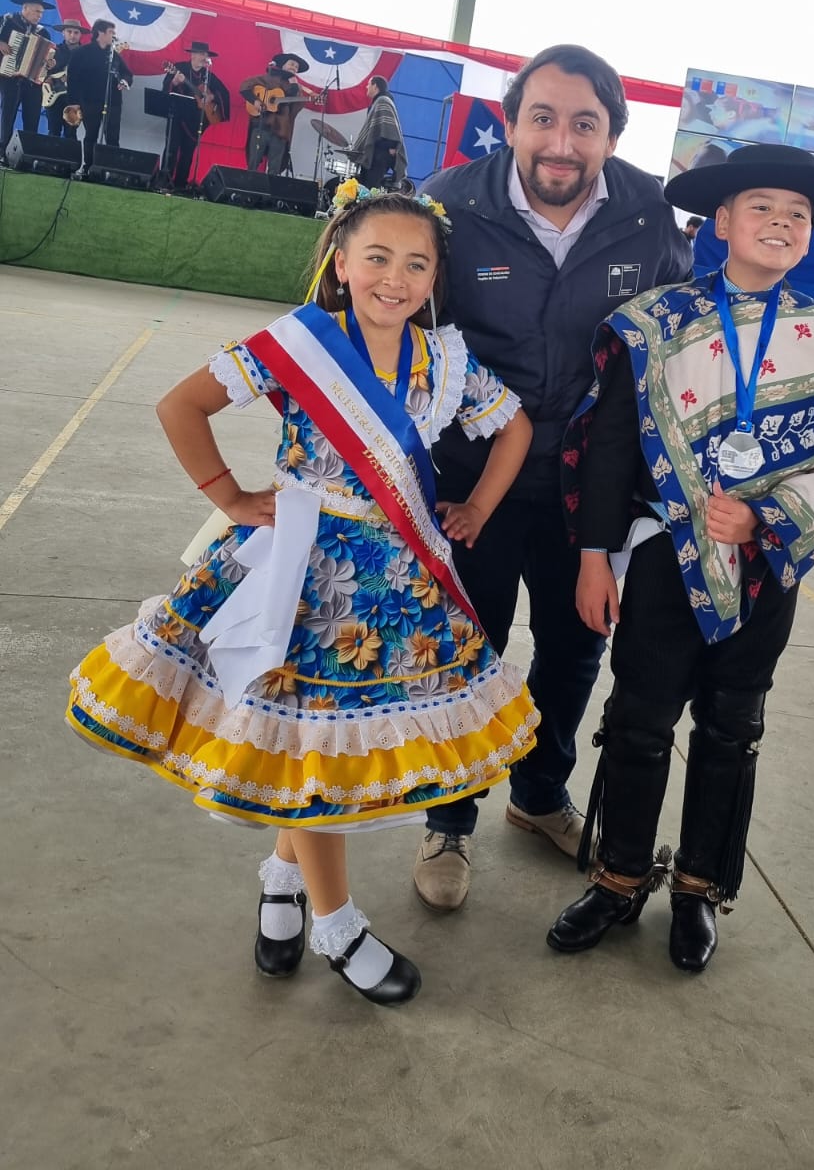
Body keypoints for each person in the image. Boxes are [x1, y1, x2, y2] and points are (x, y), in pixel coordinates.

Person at [66, 183, 538, 1006]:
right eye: (379, 257)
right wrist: (230, 496)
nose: (396, 278)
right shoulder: (299, 344)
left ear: (435, 277)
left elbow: (516, 426)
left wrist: (478, 507)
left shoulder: (444, 358)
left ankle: (283, 887)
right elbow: (182, 404)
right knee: (312, 754)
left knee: (317, 751)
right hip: (304, 578)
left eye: (417, 263)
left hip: (393, 584)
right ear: (342, 262)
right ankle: (338, 925)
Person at [546, 144, 814, 972]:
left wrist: (766, 518)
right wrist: (595, 556)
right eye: (761, 207)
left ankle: (700, 889)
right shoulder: (654, 326)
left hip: (766, 567)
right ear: (721, 223)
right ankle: (617, 877)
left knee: (732, 727)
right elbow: (611, 447)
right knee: (637, 721)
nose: (780, 223)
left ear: (810, 238)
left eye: (796, 215)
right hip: (663, 560)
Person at [408, 43, 693, 911]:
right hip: (472, 484)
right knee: (469, 653)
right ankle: (449, 821)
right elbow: (399, 333)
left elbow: (675, 345)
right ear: (509, 121)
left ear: (613, 133)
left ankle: (537, 796)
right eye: (543, 118)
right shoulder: (451, 204)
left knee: (573, 652)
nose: (561, 143)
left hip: (592, 491)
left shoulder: (649, 213)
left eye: (584, 124)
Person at [163, 40, 231, 191]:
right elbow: (166, 87)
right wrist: (174, 81)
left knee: (188, 152)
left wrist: (211, 98)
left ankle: (180, 184)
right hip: (177, 115)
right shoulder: (179, 68)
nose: (204, 57)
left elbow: (224, 93)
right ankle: (163, 181)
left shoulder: (208, 76)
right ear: (192, 55)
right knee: (171, 149)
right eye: (201, 54)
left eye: (206, 54)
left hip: (195, 119)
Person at [66, 19, 133, 164]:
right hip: (90, 100)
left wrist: (124, 81)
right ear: (100, 33)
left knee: (113, 137)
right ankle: (88, 166)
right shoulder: (81, 52)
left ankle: (111, 168)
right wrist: (74, 102)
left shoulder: (113, 54)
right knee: (91, 135)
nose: (113, 36)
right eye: (111, 32)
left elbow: (127, 73)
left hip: (112, 101)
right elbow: (72, 79)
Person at [0, 0, 55, 148]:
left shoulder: (42, 32)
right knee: (8, 113)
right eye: (37, 11)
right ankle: (3, 149)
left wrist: (50, 63)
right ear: (25, 8)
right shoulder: (7, 21)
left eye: (42, 13)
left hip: (31, 81)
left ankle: (27, 151)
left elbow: (47, 58)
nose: (40, 15)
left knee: (32, 115)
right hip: (8, 75)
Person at [241, 52, 308, 174]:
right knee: (253, 164)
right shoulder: (267, 78)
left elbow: (295, 106)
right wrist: (255, 101)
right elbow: (244, 87)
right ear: (282, 65)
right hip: (261, 126)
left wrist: (294, 87)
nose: (294, 68)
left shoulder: (295, 86)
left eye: (296, 67)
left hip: (279, 130)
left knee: (274, 168)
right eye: (292, 64)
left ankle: (268, 192)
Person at [350, 74, 408, 189]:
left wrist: (391, 146)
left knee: (371, 188)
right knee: (366, 186)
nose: (366, 87)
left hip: (380, 154)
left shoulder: (383, 101)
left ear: (375, 86)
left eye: (368, 84)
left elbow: (390, 128)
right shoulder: (379, 101)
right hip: (375, 153)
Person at [43, 17, 86, 137]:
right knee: (53, 131)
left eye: (76, 32)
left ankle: (69, 156)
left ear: (80, 35)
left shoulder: (86, 55)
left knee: (71, 132)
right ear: (63, 33)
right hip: (53, 96)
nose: (72, 35)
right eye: (69, 32)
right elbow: (42, 71)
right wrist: (48, 78)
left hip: (74, 99)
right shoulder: (53, 50)